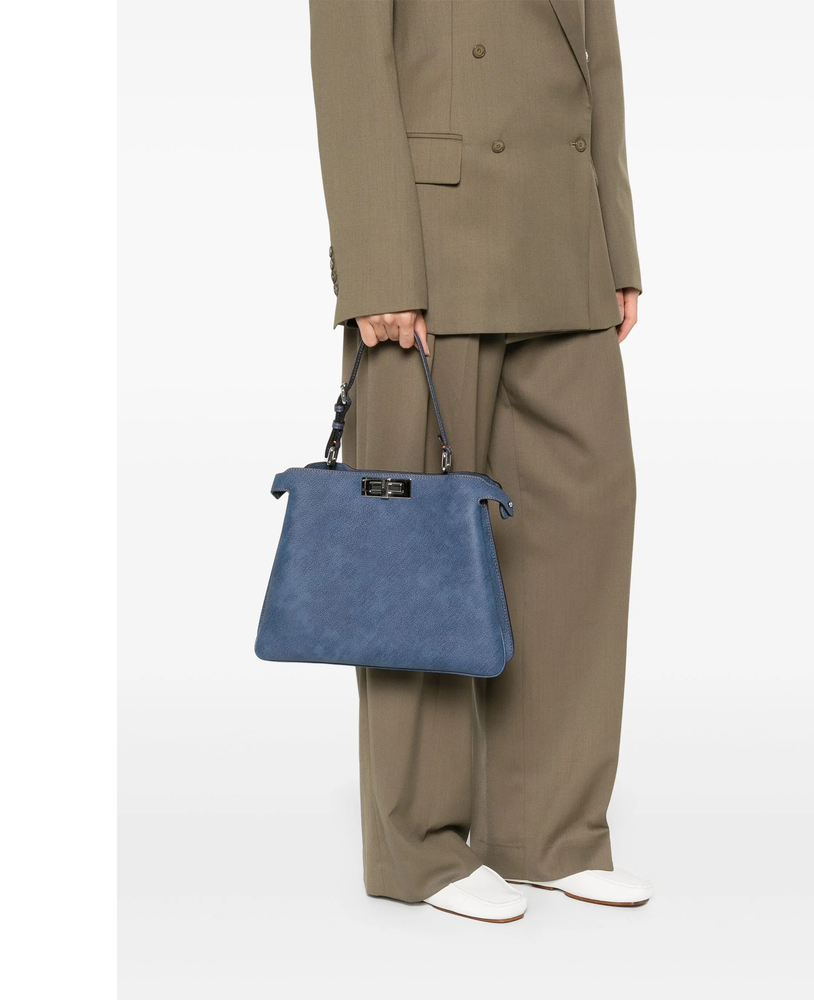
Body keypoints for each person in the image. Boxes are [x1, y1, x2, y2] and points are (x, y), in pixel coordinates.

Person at [308, 0, 650, 922]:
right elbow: (348, 58)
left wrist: (615, 236)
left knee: (584, 518)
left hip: (564, 234)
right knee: (416, 549)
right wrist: (379, 262)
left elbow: (597, 53)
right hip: (429, 250)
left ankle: (550, 831)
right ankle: (419, 849)